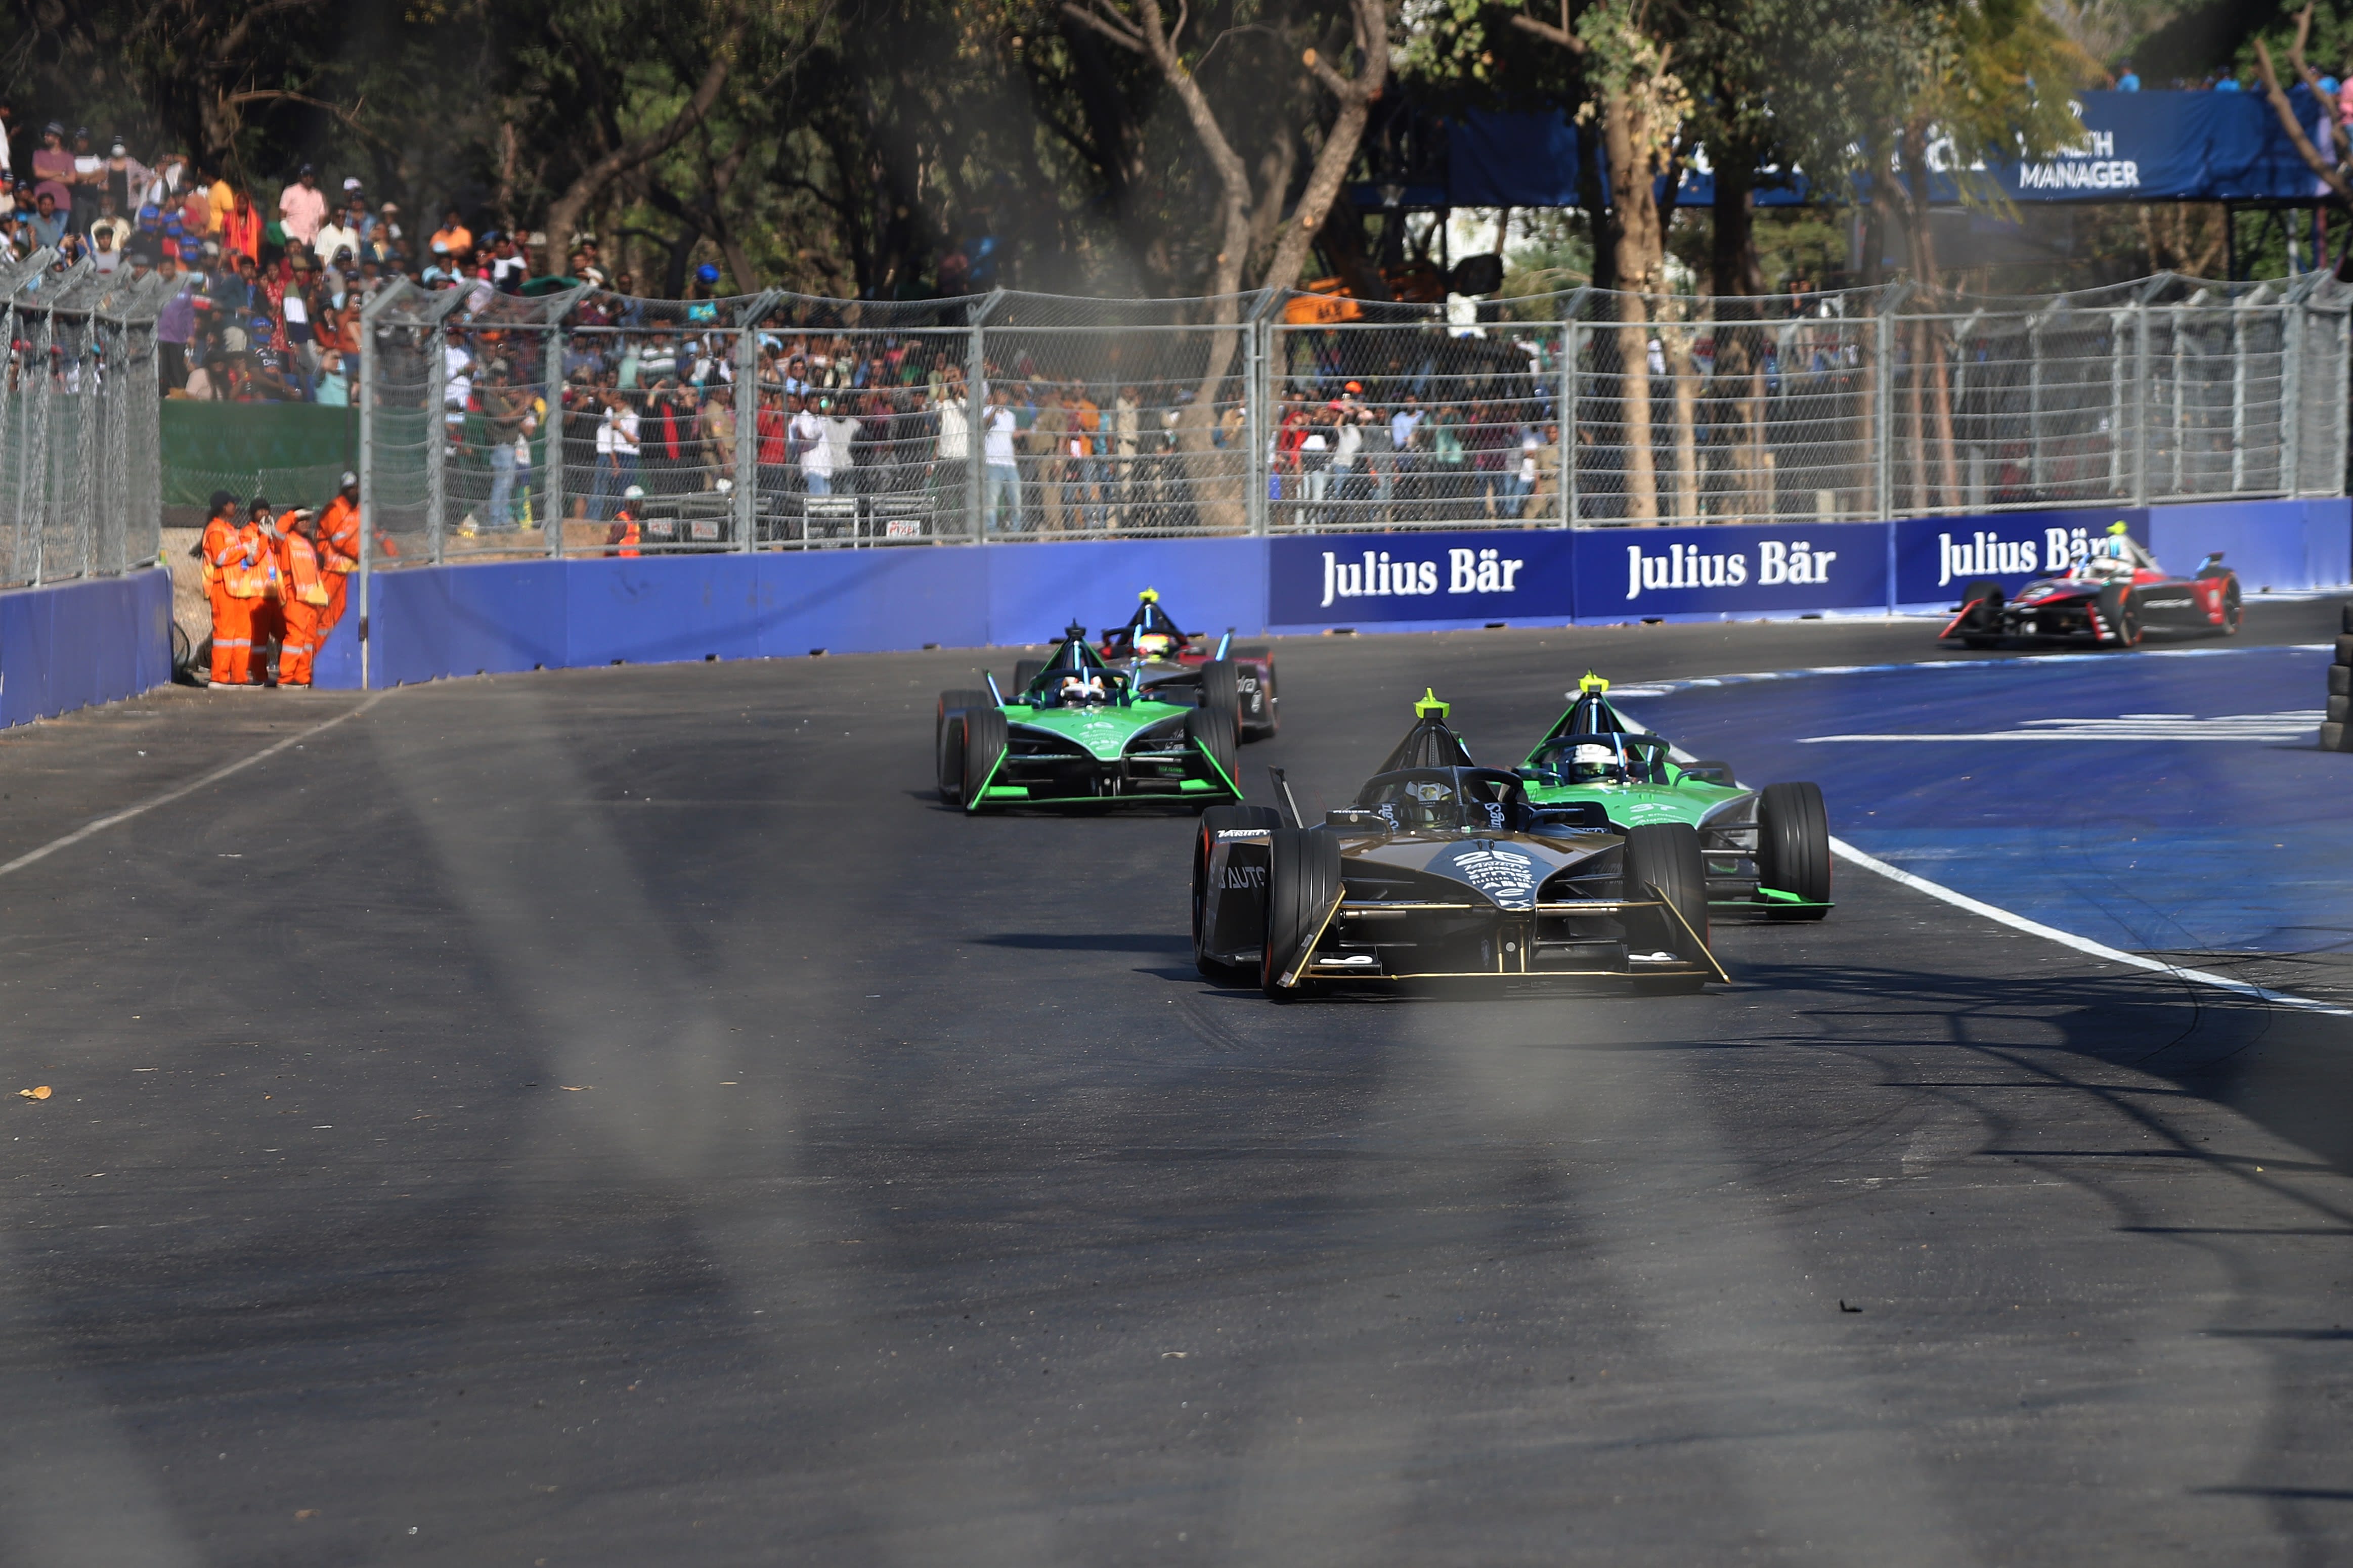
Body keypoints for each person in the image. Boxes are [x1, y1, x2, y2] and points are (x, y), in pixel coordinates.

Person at [203, 492, 270, 687]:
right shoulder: (216, 530)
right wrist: (245, 549)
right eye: (233, 504)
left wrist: (260, 541)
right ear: (224, 507)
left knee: (242, 634)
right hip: (222, 586)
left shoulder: (230, 529)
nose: (236, 507)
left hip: (238, 588)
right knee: (225, 634)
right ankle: (219, 677)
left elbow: (248, 558)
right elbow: (220, 558)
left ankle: (239, 676)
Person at [316, 472, 362, 642]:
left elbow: (376, 533)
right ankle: (323, 662)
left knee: (346, 617)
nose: (352, 492)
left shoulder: (360, 509)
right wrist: (362, 556)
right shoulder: (333, 509)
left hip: (352, 572)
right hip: (332, 572)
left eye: (354, 488)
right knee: (327, 620)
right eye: (348, 489)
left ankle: (342, 659)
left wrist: (392, 554)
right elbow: (339, 541)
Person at [278, 165, 327, 247]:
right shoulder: (289, 192)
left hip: (313, 241)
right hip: (294, 241)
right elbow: (282, 217)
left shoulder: (318, 195)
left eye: (311, 175)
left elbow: (321, 220)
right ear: (300, 176)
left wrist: (320, 239)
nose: (308, 178)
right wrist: (291, 237)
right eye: (305, 175)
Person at [608, 484, 643, 557]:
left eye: (640, 501)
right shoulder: (622, 521)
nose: (638, 504)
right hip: (622, 563)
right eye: (635, 501)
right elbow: (611, 546)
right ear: (628, 503)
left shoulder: (636, 521)